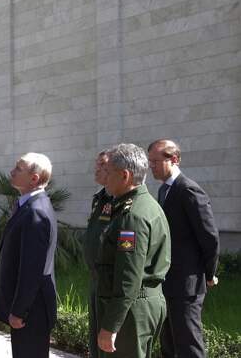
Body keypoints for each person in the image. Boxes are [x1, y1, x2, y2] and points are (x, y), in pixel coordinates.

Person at [96, 143, 170, 358]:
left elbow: (128, 277)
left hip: (131, 310)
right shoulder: (144, 205)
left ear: (125, 175)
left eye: (109, 173)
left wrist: (111, 325)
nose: (105, 177)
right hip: (138, 304)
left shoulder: (133, 216)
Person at [147, 139, 220, 358]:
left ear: (175, 159)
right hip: (167, 281)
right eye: (150, 161)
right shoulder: (163, 191)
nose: (151, 166)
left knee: (188, 344)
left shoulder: (188, 190)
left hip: (187, 284)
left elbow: (209, 237)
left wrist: (209, 273)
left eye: (156, 161)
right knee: (168, 343)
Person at [0, 152, 57, 358]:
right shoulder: (27, 205)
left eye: (18, 168)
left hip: (32, 309)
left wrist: (19, 310)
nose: (12, 171)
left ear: (34, 178)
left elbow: (32, 269)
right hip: (29, 306)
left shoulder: (35, 211)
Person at [84, 151, 113, 358]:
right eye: (97, 164)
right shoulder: (100, 198)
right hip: (95, 277)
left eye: (102, 165)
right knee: (95, 337)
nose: (97, 168)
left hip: (111, 280)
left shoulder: (121, 202)